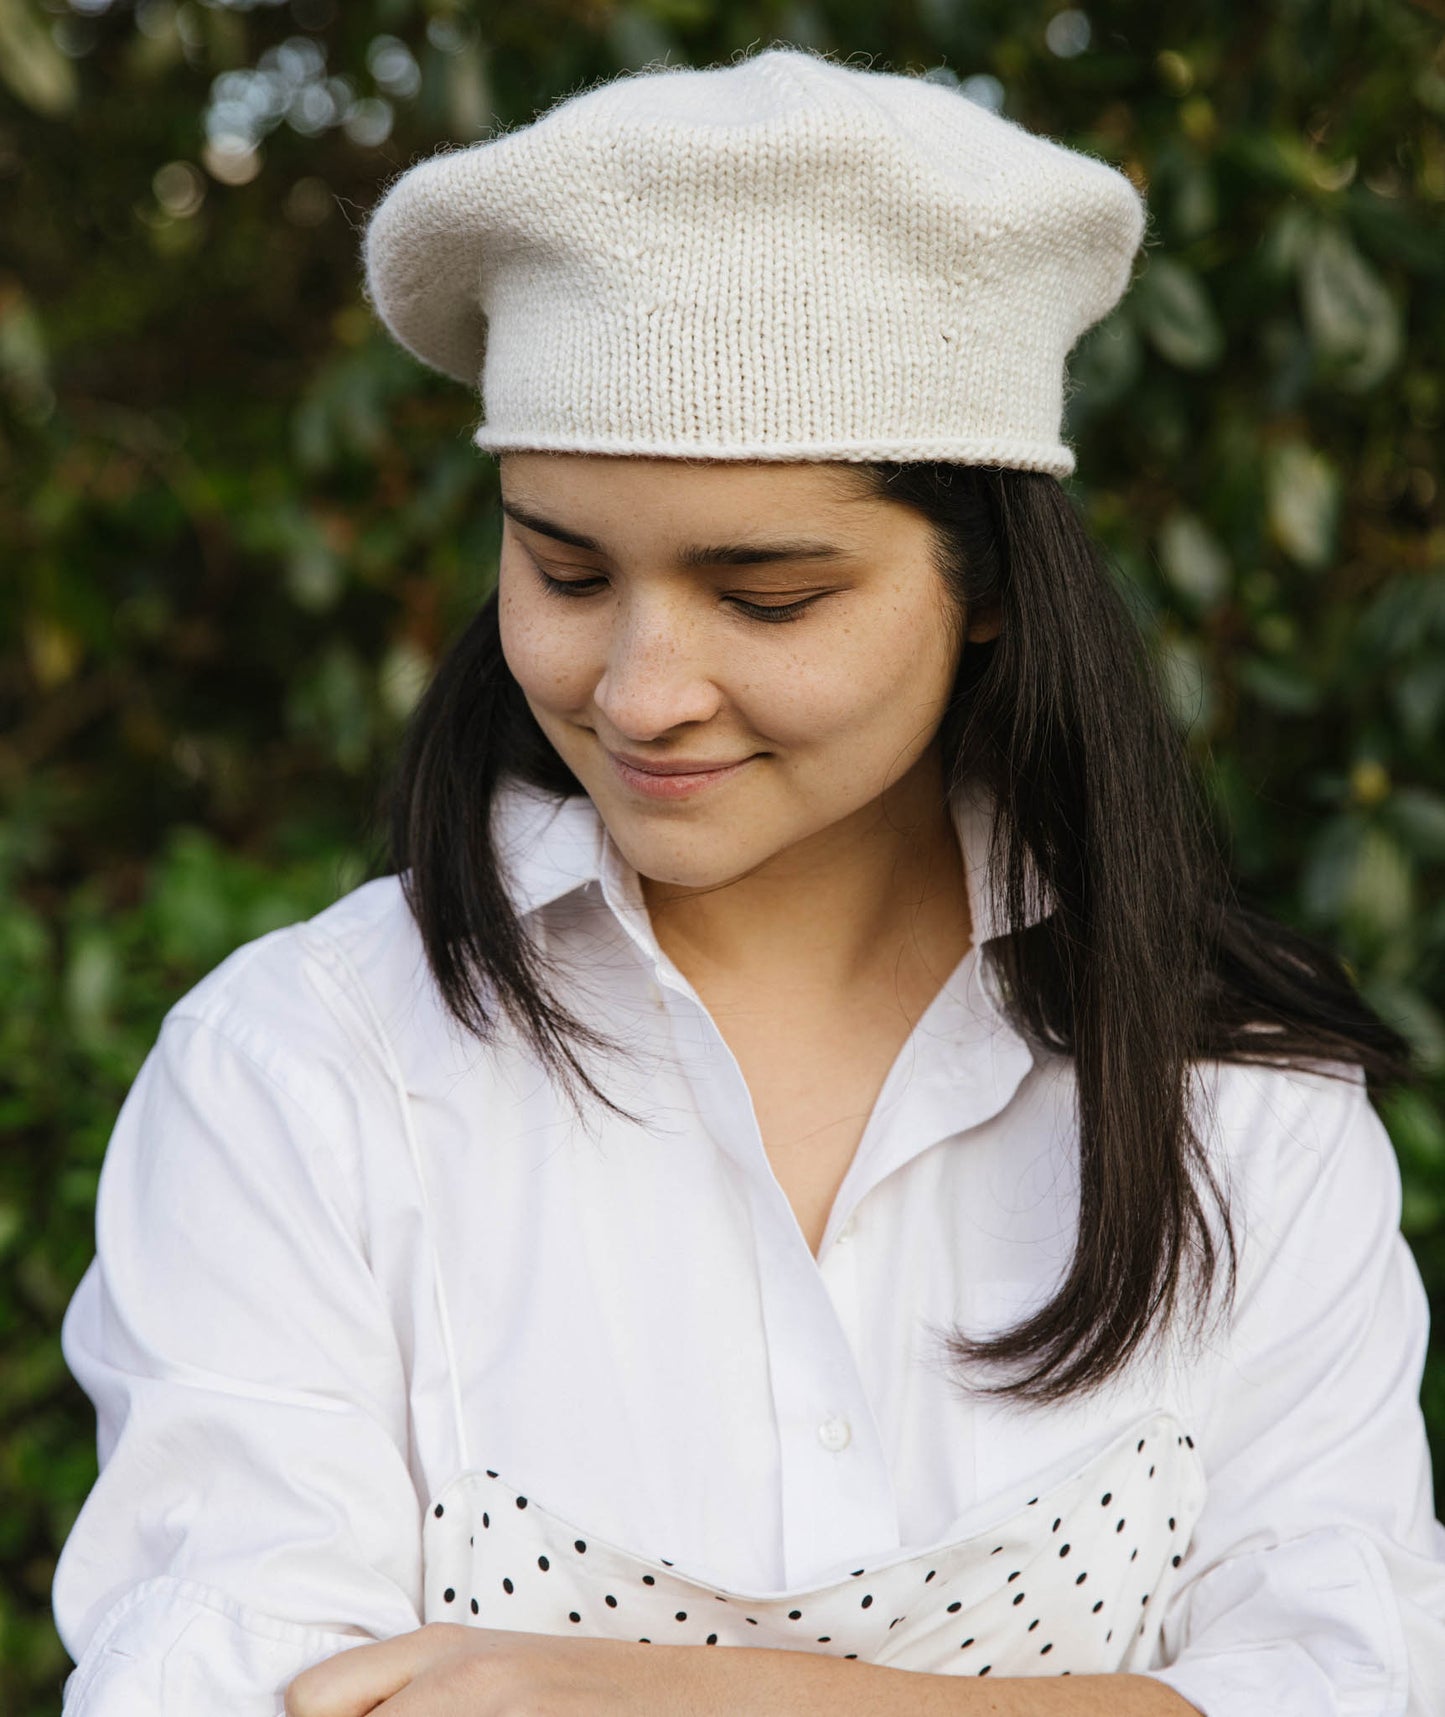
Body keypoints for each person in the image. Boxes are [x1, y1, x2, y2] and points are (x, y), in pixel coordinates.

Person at [52, 42, 1445, 1717]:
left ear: (986, 583)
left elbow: (1359, 1675)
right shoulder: (308, 1069)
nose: (637, 690)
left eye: (766, 596)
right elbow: (209, 1673)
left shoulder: (1243, 1108)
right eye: (563, 567)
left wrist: (644, 1691)